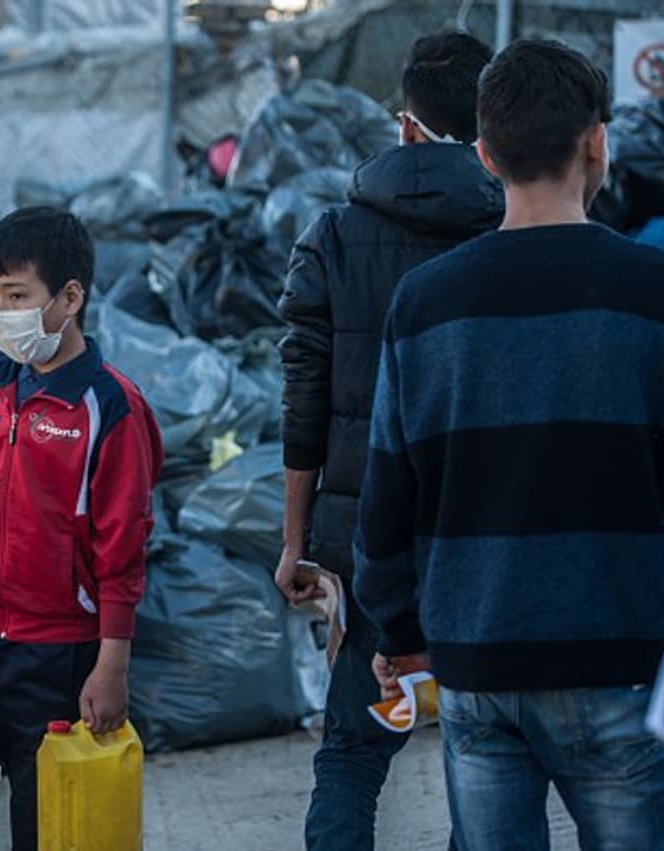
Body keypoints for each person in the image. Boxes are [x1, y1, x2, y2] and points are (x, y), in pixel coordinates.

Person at [354, 39, 664, 850]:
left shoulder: (424, 304)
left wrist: (401, 634)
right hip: (623, 657)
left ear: (486, 155)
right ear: (598, 142)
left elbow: (387, 498)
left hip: (477, 664)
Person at [274, 31, 500, 850]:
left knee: (353, 749)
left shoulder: (334, 235)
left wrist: (297, 540)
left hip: (370, 533)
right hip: (488, 532)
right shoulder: (513, 226)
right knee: (490, 752)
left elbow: (304, 401)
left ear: (405, 125)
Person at [0, 207, 163, 851]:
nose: (1, 313)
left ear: (70, 298)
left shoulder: (111, 407)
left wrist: (112, 665)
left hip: (59, 650)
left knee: (42, 824)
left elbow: (123, 545)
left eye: (17, 296)